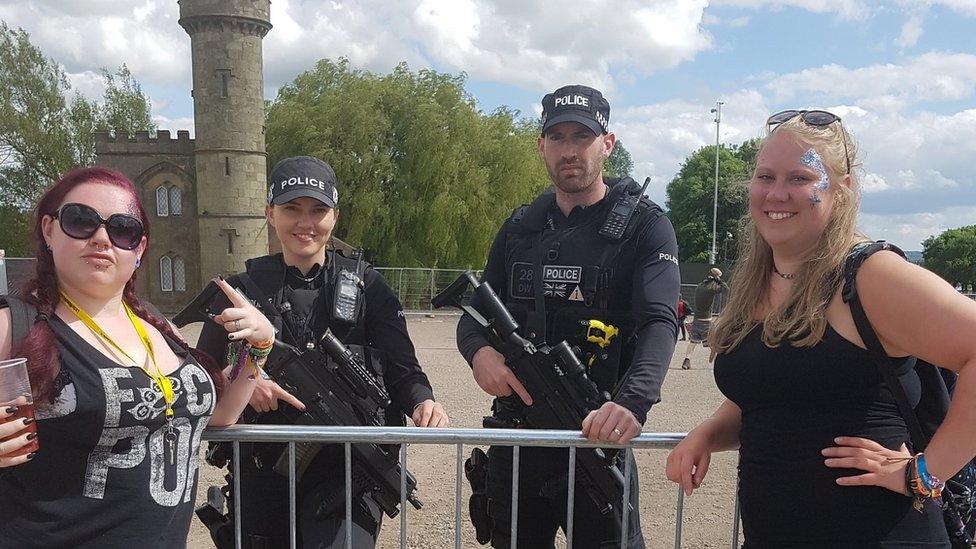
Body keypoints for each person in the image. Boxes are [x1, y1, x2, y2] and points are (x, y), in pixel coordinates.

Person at [665, 110, 976, 547]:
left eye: (799, 178)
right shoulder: (758, 280)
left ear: (843, 190)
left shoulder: (870, 276)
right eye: (765, 176)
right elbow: (771, 392)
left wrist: (923, 473)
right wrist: (707, 433)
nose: (776, 193)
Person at [455, 84, 680, 548]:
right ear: (541, 146)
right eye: (557, 138)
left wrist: (633, 403)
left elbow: (660, 321)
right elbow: (473, 315)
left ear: (607, 143)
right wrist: (479, 354)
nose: (569, 150)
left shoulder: (645, 225)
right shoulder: (520, 227)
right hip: (517, 436)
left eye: (582, 136)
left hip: (595, 432)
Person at [0, 167, 266, 547]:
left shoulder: (157, 326)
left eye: (122, 229)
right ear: (49, 231)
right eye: (81, 221)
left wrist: (258, 348)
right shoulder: (15, 325)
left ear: (138, 249)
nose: (101, 238)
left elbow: (219, 415)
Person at [194, 155, 449, 548]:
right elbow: (201, 374)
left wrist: (423, 402)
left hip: (349, 470)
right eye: (291, 209)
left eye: (317, 210)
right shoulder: (238, 291)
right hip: (262, 467)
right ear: (269, 214)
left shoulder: (369, 288)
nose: (305, 222)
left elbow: (403, 368)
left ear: (334, 216)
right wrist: (247, 378)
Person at [680, 268, 728, 369]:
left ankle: (686, 361)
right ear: (716, 276)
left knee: (693, 342)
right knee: (713, 343)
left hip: (697, 320)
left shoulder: (699, 286)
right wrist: (718, 280)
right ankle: (721, 364)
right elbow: (726, 289)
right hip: (707, 321)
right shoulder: (712, 288)